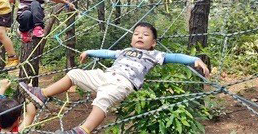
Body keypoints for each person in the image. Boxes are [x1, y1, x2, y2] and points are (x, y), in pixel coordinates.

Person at [19, 22, 210, 134]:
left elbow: (175, 57)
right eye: (136, 34)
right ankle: (42, 93)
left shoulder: (155, 55)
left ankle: (83, 130)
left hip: (123, 83)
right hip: (106, 75)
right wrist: (90, 51)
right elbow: (107, 53)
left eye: (145, 35)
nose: (139, 37)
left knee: (102, 99)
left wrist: (194, 59)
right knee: (74, 74)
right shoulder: (124, 51)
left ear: (153, 43)